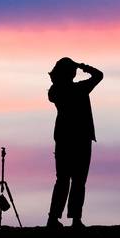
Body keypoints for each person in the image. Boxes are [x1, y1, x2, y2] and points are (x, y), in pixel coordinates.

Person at [47, 58, 102, 228]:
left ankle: (54, 218)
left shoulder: (55, 91)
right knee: (78, 181)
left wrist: (76, 66)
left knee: (63, 180)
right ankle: (75, 219)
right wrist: (83, 66)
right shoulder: (79, 89)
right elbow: (99, 75)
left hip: (64, 139)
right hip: (80, 140)